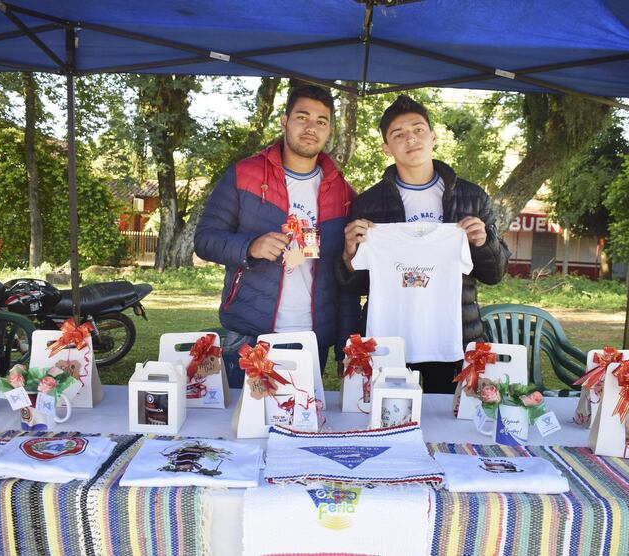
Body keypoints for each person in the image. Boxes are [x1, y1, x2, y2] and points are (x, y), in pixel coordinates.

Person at [337, 94, 510, 393]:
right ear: (386, 147)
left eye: (418, 130)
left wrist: (484, 242)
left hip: (452, 335)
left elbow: (495, 274)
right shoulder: (368, 203)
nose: (411, 139)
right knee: (386, 418)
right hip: (391, 338)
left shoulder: (472, 197)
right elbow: (359, 285)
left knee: (446, 421)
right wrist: (349, 254)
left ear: (434, 136)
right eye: (399, 134)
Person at [194, 85, 359, 387]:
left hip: (312, 340)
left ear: (329, 129)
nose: (312, 128)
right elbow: (205, 239)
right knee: (242, 426)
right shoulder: (245, 174)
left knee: (301, 426)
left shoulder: (343, 192)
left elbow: (344, 277)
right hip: (249, 332)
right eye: (303, 117)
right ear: (284, 121)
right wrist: (250, 246)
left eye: (322, 121)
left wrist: (345, 344)